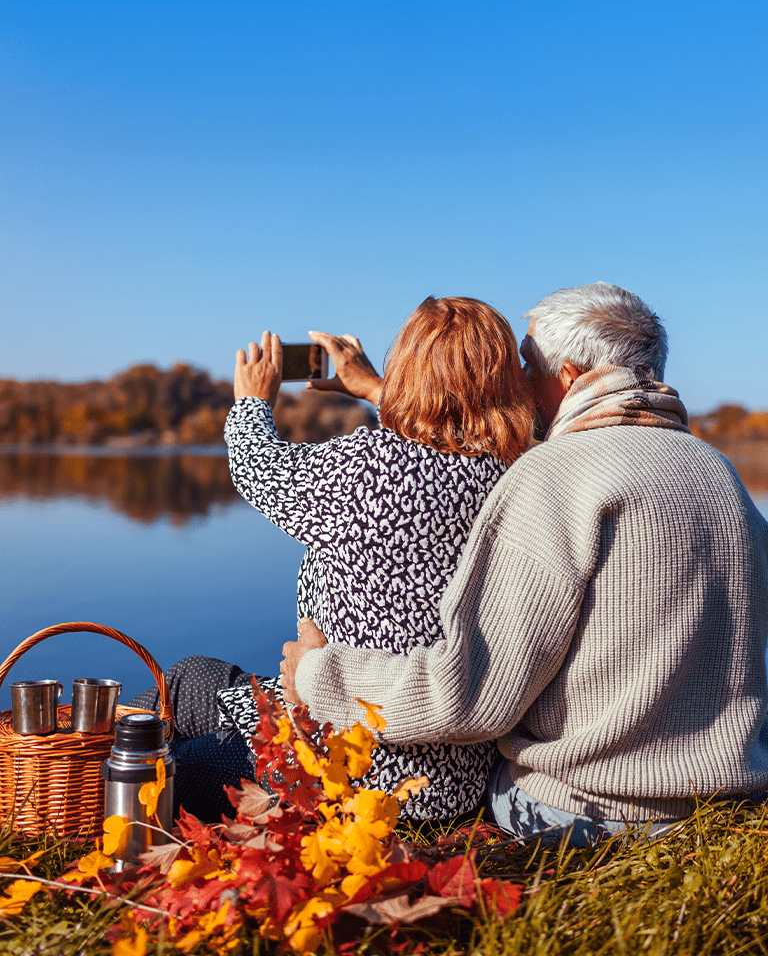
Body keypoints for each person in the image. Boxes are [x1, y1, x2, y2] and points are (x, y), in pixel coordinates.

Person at [281, 282, 768, 845]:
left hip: (588, 812)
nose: (514, 383)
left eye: (525, 364)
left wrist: (321, 675)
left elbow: (468, 700)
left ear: (565, 377)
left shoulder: (554, 478)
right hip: (725, 802)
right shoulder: (720, 476)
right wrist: (378, 387)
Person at [134, 296, 533, 821]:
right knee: (188, 678)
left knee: (155, 768)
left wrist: (253, 400)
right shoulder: (521, 477)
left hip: (344, 768)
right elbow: (455, 423)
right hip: (453, 776)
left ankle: (66, 781)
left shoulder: (369, 466)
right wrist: (371, 386)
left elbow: (259, 470)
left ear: (408, 370)